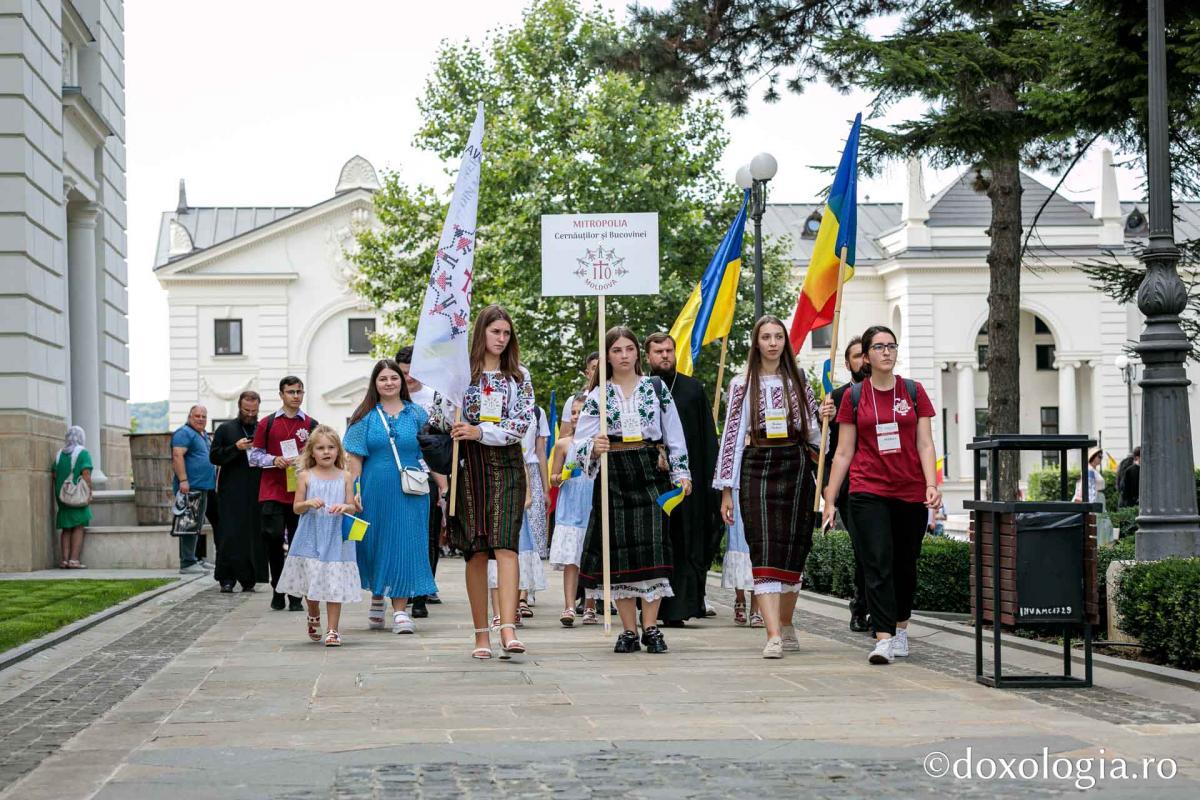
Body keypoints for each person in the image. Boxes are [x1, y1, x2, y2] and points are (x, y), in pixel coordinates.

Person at [822, 325, 940, 665]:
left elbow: (925, 443)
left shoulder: (913, 392)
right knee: (877, 562)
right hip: (867, 489)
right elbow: (843, 452)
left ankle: (901, 628)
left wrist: (931, 484)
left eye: (891, 346)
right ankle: (883, 637)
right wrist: (830, 499)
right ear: (867, 356)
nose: (886, 352)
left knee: (905, 564)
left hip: (909, 491)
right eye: (879, 347)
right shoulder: (855, 397)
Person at [573, 326, 692, 654]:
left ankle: (651, 628)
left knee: (653, 550)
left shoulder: (655, 389)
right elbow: (578, 443)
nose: (623, 355)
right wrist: (593, 448)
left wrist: (682, 473)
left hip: (649, 468)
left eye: (628, 349)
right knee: (620, 557)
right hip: (613, 473)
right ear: (607, 356)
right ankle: (628, 630)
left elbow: (674, 433)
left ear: (637, 352)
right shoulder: (598, 396)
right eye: (616, 350)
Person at [429, 305, 535, 660]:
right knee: (475, 551)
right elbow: (437, 419)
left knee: (506, 545)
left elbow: (521, 425)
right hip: (468, 468)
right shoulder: (460, 374)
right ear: (481, 334)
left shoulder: (519, 376)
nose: (502, 339)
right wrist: (452, 415)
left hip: (506, 464)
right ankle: (480, 635)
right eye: (496, 332)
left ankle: (507, 626)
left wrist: (481, 430)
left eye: (507, 333)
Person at [715, 316, 821, 658]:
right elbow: (731, 438)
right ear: (756, 342)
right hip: (758, 465)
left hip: (796, 465)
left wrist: (827, 421)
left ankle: (786, 623)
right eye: (766, 337)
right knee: (762, 547)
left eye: (778, 336)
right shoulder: (742, 382)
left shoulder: (799, 379)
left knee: (794, 549)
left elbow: (816, 430)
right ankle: (772, 635)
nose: (773, 343)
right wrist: (726, 490)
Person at [345, 359, 438, 635]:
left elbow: (432, 452)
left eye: (393, 378)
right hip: (375, 490)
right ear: (375, 383)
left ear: (402, 380)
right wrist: (353, 493)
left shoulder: (417, 414)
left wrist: (444, 487)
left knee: (405, 544)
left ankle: (399, 609)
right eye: (383, 379)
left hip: (412, 491)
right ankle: (377, 594)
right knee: (376, 543)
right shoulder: (365, 417)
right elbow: (354, 460)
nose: (389, 383)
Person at [644, 332, 721, 627]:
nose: (665, 356)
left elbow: (706, 439)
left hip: (687, 483)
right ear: (648, 357)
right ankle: (651, 607)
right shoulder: (641, 389)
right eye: (658, 352)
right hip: (651, 481)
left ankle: (681, 607)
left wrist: (713, 482)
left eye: (669, 350)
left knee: (687, 541)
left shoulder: (692, 389)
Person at [275, 425, 360, 646]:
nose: (326, 452)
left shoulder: (346, 476)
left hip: (335, 536)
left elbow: (352, 506)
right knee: (311, 581)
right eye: (320, 448)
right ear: (311, 452)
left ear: (338, 451)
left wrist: (344, 506)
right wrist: (308, 503)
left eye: (331, 447)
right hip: (310, 534)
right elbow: (296, 508)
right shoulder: (304, 476)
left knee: (334, 583)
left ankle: (333, 630)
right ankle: (313, 611)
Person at [250, 376, 318, 611]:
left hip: (300, 493)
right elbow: (254, 456)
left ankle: (297, 594)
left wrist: (304, 461)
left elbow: (320, 455)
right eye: (291, 392)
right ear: (281, 394)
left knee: (299, 544)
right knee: (273, 539)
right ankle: (278, 588)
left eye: (299, 391)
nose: (296, 396)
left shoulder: (310, 425)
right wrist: (273, 459)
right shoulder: (267, 424)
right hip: (272, 490)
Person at [820, 336, 872, 633]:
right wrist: (821, 419)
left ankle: (877, 608)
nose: (863, 361)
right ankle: (861, 607)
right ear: (848, 363)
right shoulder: (837, 398)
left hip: (885, 483)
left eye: (865, 355)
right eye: (856, 356)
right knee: (865, 549)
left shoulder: (892, 392)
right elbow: (827, 448)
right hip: (852, 487)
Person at [395, 344, 448, 619]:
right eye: (403, 373)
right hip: (397, 474)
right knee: (403, 533)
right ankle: (403, 584)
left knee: (428, 534)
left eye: (412, 373)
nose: (408, 379)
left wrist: (443, 482)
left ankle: (422, 592)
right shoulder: (391, 398)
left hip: (428, 474)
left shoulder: (434, 397)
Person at [209, 391, 267, 593]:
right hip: (231, 491)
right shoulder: (226, 429)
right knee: (230, 535)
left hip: (256, 489)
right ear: (239, 407)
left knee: (253, 535)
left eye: (254, 410)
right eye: (246, 410)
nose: (250, 414)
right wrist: (235, 447)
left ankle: (249, 578)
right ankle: (227, 578)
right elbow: (214, 457)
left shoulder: (262, 429)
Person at [548, 394, 597, 626]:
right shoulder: (563, 444)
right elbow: (553, 478)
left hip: (590, 502)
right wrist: (562, 476)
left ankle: (590, 605)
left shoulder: (597, 443)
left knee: (591, 556)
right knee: (571, 559)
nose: (577, 417)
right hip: (570, 504)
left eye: (582, 412)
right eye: (574, 412)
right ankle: (568, 605)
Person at [171, 405, 216, 575]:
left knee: (196, 524)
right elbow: (177, 455)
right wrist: (183, 480)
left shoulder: (202, 434)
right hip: (190, 487)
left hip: (202, 487)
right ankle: (187, 562)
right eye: (197, 416)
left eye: (203, 416)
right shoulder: (184, 433)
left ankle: (194, 558)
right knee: (188, 524)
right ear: (189, 416)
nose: (200, 419)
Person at [53, 425, 93, 569]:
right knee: (78, 526)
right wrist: (89, 492)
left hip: (62, 495)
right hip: (76, 496)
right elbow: (86, 474)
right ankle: (74, 560)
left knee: (66, 528)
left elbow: (54, 475)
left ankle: (64, 560)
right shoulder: (83, 453)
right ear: (81, 438)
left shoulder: (59, 454)